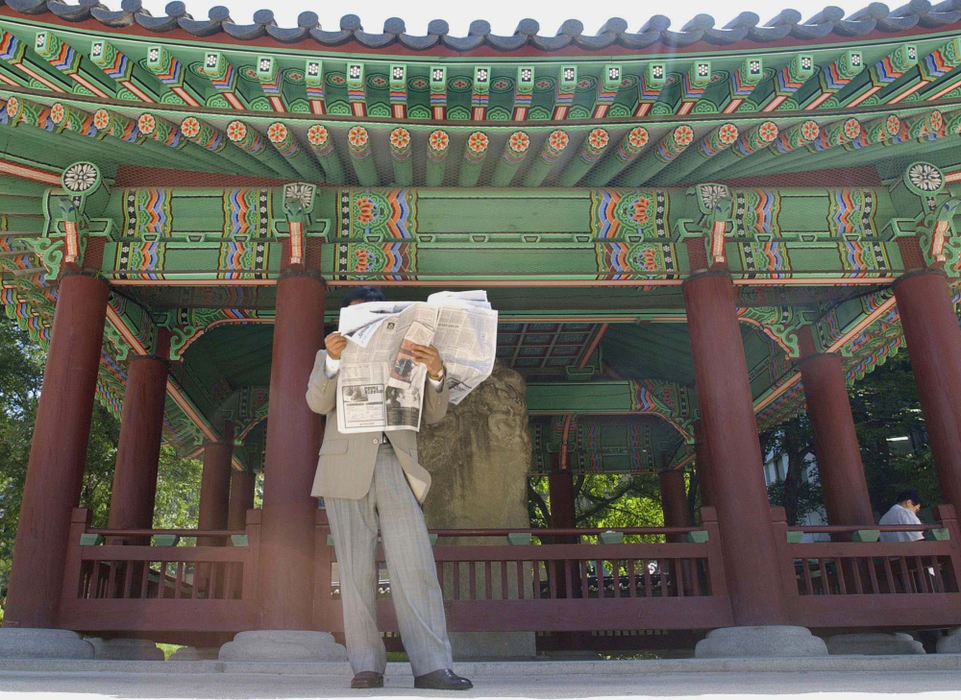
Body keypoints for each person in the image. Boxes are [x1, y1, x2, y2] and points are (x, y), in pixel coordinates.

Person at [306, 286, 471, 691]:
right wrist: (333, 361)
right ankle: (366, 665)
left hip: (396, 463)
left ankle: (433, 666)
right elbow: (315, 403)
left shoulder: (410, 353)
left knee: (415, 566)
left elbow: (434, 414)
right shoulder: (326, 356)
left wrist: (435, 372)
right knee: (354, 571)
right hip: (344, 468)